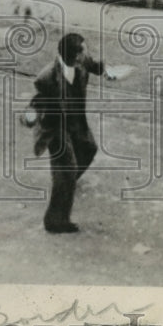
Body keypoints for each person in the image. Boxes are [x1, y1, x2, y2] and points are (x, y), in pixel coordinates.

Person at [30, 33, 110, 234]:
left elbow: (93, 65)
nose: (87, 53)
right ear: (74, 57)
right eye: (83, 50)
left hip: (75, 121)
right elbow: (37, 101)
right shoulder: (47, 76)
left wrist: (106, 71)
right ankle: (55, 221)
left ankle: (66, 181)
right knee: (66, 167)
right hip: (55, 127)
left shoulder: (82, 63)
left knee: (89, 149)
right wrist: (30, 116)